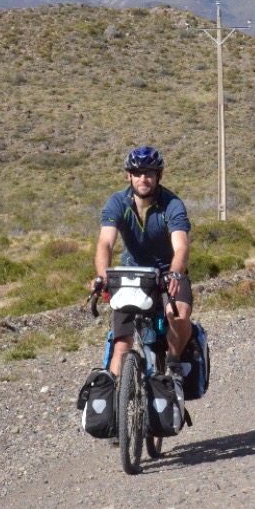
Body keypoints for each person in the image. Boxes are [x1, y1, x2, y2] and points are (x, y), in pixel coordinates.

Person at [93, 145, 192, 377]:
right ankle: (117, 398)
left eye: (149, 173)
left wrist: (175, 273)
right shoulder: (117, 202)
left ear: (159, 175)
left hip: (167, 273)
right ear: (129, 175)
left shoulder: (172, 204)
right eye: (137, 173)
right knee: (121, 345)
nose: (143, 178)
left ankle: (173, 363)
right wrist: (102, 276)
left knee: (178, 314)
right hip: (131, 275)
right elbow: (105, 242)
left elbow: (181, 246)